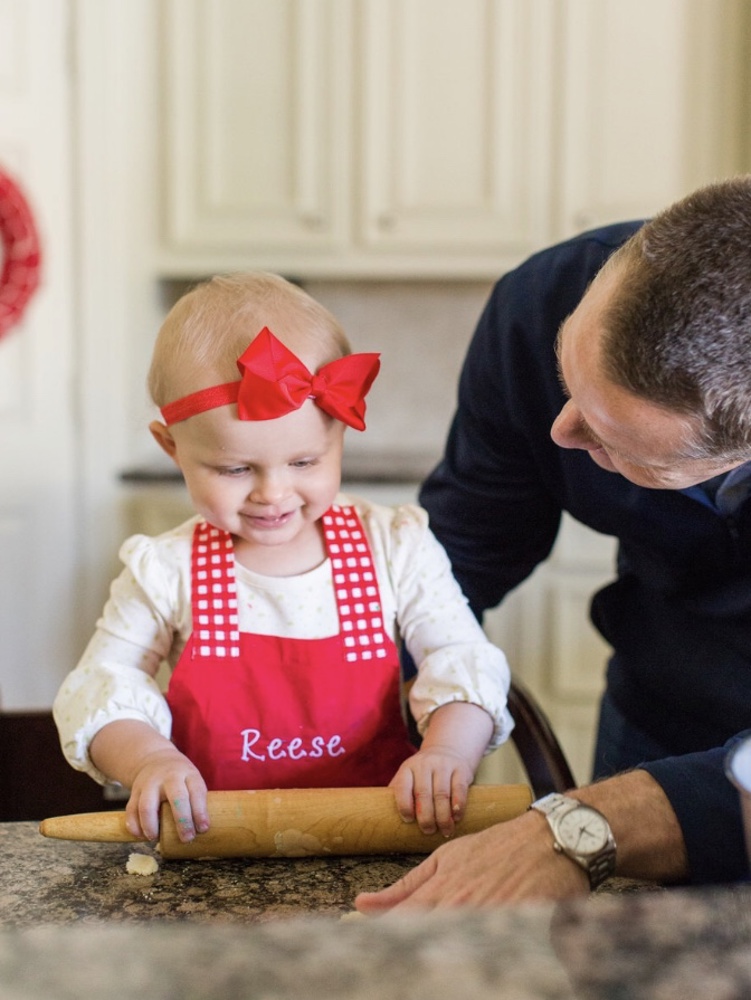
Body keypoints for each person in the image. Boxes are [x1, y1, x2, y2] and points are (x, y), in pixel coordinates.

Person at [355, 175, 751, 913]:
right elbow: (461, 557)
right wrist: (339, 697)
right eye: (570, 376)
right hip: (653, 714)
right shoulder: (540, 301)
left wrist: (578, 827)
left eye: (609, 441)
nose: (560, 433)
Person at [53, 272, 513, 845]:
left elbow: (461, 658)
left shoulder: (395, 547)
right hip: (212, 847)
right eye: (235, 469)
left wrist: (447, 750)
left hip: (379, 841)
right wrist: (149, 761)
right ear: (172, 448)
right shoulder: (164, 571)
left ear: (340, 435)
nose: (273, 493)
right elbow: (102, 684)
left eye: (304, 462)